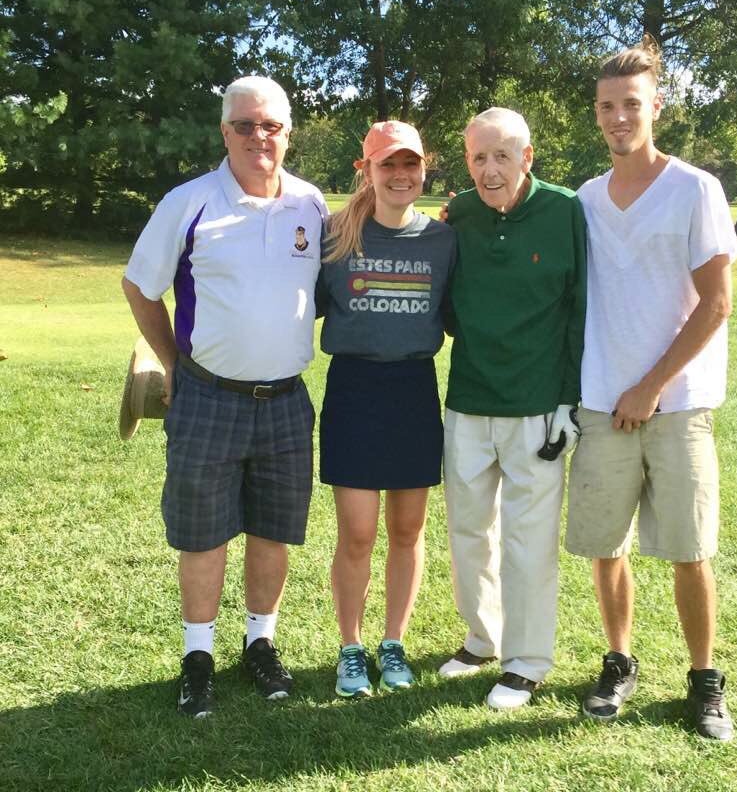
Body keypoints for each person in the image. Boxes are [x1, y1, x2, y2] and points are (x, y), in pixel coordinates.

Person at [122, 75, 327, 717]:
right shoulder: (190, 202)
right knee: (203, 534)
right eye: (245, 125)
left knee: (273, 529)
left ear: (288, 133)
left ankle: (259, 646)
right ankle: (198, 656)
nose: (258, 137)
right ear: (224, 132)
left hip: (287, 400)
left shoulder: (311, 204)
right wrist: (171, 361)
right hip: (208, 397)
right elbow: (139, 285)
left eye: (270, 125)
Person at [566, 38, 737, 741]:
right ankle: (618, 662)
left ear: (655, 107)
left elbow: (716, 303)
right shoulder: (582, 199)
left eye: (630, 105)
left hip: (677, 403)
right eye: (606, 107)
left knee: (687, 548)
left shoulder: (694, 188)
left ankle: (703, 682)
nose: (617, 118)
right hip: (602, 401)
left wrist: (650, 385)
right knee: (606, 546)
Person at [439, 107, 587, 710]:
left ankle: (526, 662)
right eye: (479, 157)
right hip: (470, 398)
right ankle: (482, 638)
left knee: (528, 539)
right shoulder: (461, 214)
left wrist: (566, 401)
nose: (490, 169)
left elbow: (580, 309)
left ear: (528, 157)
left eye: (503, 155)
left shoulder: (564, 210)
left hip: (536, 405)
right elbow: (447, 299)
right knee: (469, 530)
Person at [316, 120, 456, 698]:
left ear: (425, 168)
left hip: (412, 389)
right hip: (353, 389)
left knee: (407, 527)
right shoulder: (334, 236)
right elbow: (292, 304)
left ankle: (392, 641)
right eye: (387, 165)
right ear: (366, 171)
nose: (400, 175)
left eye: (410, 164)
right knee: (356, 531)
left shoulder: (444, 240)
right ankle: (351, 647)